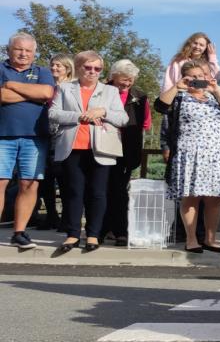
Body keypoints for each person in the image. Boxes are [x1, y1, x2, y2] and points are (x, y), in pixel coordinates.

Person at [47, 51, 128, 256]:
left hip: (101, 148)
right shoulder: (65, 88)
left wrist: (103, 112)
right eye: (88, 67)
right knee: (74, 192)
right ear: (78, 67)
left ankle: (93, 234)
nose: (93, 72)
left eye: (97, 68)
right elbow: (53, 113)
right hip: (72, 147)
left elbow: (123, 118)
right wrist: (80, 116)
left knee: (98, 193)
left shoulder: (110, 91)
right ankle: (73, 234)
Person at [154, 59, 220, 253]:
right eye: (193, 77)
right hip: (189, 154)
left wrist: (216, 90)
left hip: (215, 154)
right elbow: (160, 106)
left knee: (215, 198)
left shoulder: (215, 96)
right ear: (185, 78)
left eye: (201, 76)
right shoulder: (179, 97)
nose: (198, 80)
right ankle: (191, 240)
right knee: (191, 198)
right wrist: (177, 86)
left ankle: (210, 239)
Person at [0, 33, 56, 250]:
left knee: (29, 184)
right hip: (3, 136)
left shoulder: (42, 72)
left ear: (34, 53)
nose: (23, 54)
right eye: (18, 49)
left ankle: (19, 233)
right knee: (1, 183)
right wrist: (32, 94)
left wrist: (10, 85)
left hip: (35, 137)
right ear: (9, 50)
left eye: (28, 50)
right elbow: (1, 96)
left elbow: (46, 92)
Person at [100, 60, 151, 246]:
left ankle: (120, 230)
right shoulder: (101, 91)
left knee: (120, 190)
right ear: (113, 76)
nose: (127, 83)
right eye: (123, 79)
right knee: (101, 189)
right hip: (103, 145)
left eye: (130, 80)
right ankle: (100, 229)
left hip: (127, 149)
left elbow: (145, 123)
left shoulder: (140, 96)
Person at [34, 53, 75, 230]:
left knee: (64, 178)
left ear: (68, 68)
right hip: (45, 135)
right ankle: (51, 215)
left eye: (58, 65)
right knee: (46, 178)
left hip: (63, 136)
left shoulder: (72, 87)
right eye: (52, 65)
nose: (54, 68)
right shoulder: (45, 85)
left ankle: (67, 217)